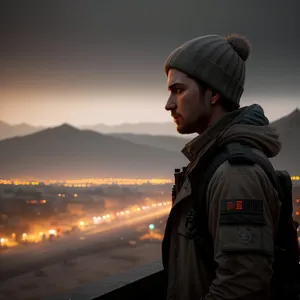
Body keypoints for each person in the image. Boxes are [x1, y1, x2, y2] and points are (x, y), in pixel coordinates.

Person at [162, 34, 282, 300]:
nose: (169, 104)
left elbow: (242, 286)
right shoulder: (210, 162)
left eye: (179, 90)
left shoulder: (235, 174)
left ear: (214, 93)